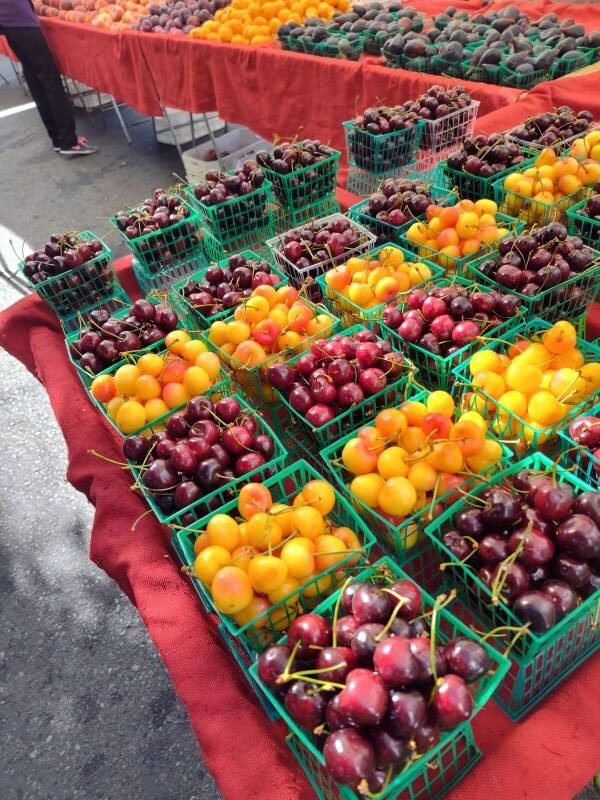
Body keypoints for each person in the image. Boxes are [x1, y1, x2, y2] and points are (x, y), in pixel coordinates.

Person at [0, 0, 97, 156]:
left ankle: (57, 139)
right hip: (17, 15)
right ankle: (67, 141)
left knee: (35, 76)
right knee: (48, 77)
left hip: (8, 18)